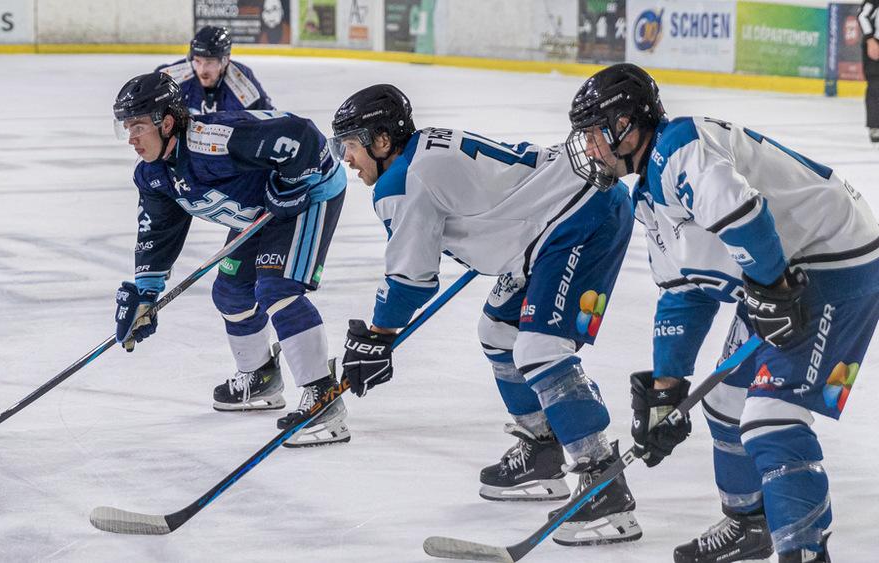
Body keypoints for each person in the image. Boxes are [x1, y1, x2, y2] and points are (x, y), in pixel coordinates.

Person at [566, 63, 879, 562]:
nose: (589, 148)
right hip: (779, 270)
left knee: (771, 416)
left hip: (832, 257)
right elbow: (685, 293)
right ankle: (749, 524)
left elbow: (745, 215)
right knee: (726, 402)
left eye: (593, 134)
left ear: (624, 125)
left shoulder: (680, 146)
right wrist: (666, 388)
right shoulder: (649, 195)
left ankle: (805, 552)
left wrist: (772, 289)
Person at [330, 84, 641, 546]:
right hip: (552, 222)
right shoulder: (419, 152)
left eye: (350, 145)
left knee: (540, 348)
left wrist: (378, 335)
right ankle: (543, 449)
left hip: (581, 218)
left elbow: (411, 279)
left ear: (380, 140)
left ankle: (603, 483)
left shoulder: (402, 182)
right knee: (498, 331)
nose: (347, 159)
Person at [112, 71, 349, 447]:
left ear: (167, 123)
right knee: (231, 294)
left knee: (276, 288)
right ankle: (261, 377)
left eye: (138, 126)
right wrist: (146, 293)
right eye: (126, 128)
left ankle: (324, 397)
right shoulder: (153, 174)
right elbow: (157, 233)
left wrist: (291, 184)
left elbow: (301, 135)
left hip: (311, 191)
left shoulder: (211, 141)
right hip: (260, 214)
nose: (131, 138)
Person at [157, 26, 273, 115]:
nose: (202, 70)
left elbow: (269, 118)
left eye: (209, 62)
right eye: (197, 61)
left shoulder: (243, 81)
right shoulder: (174, 76)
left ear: (225, 60)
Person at [858, 2, 879, 144]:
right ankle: (875, 127)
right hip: (875, 44)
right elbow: (862, 15)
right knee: (875, 86)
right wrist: (870, 39)